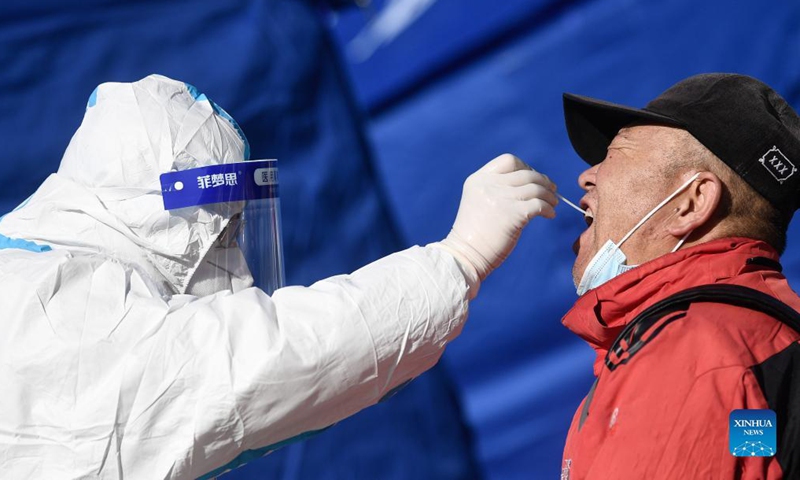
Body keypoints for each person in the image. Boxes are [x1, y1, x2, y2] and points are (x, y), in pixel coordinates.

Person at [0, 75, 558, 479]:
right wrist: (457, 259)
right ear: (162, 214)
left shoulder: (42, 261)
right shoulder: (49, 303)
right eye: (223, 234)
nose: (235, 262)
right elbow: (253, 364)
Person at [559, 73, 800, 479]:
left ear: (691, 203)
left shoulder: (693, 352)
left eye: (616, 153)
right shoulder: (754, 335)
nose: (586, 176)